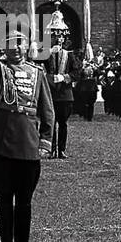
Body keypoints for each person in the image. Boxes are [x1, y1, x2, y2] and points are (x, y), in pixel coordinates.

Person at [0, 16, 54, 242]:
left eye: (20, 42)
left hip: (28, 143)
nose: (16, 47)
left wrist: (46, 140)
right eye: (10, 43)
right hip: (0, 143)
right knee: (4, 197)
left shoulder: (37, 72)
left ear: (26, 45)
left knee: (25, 199)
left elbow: (47, 110)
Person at [42, 10, 79, 158]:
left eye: (60, 36)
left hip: (64, 94)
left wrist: (64, 77)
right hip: (50, 92)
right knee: (51, 122)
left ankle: (61, 149)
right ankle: (51, 149)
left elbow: (77, 73)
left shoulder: (69, 55)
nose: (58, 39)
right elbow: (35, 62)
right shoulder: (45, 54)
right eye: (54, 36)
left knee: (62, 123)